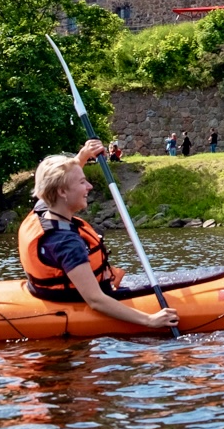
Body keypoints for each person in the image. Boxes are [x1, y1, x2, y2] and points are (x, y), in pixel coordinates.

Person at [17, 139, 179, 331]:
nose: (89, 187)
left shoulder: (44, 209)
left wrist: (83, 155)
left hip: (45, 291)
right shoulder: (65, 243)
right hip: (73, 302)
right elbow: (95, 300)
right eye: (82, 182)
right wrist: (150, 320)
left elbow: (58, 179)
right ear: (62, 192)